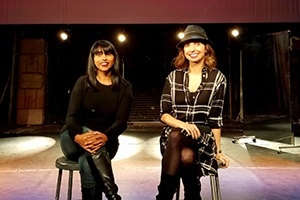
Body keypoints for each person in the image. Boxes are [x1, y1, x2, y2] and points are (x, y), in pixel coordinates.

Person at [156, 25, 230, 200]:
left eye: (197, 44)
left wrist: (218, 151)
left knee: (178, 139)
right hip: (174, 134)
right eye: (187, 45)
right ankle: (193, 193)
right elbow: (164, 114)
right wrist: (183, 125)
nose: (192, 49)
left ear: (206, 48)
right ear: (183, 51)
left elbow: (215, 119)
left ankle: (163, 196)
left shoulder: (218, 78)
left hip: (202, 137)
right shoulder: (173, 77)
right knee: (186, 156)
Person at [59, 40, 132, 200]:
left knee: (87, 161)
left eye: (108, 53)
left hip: (106, 142)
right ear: (92, 59)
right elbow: (71, 118)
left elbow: (121, 122)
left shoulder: (124, 87)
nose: (103, 58)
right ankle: (112, 194)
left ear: (114, 58)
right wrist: (79, 137)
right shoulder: (83, 82)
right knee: (87, 133)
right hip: (73, 140)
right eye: (98, 54)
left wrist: (105, 136)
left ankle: (110, 195)